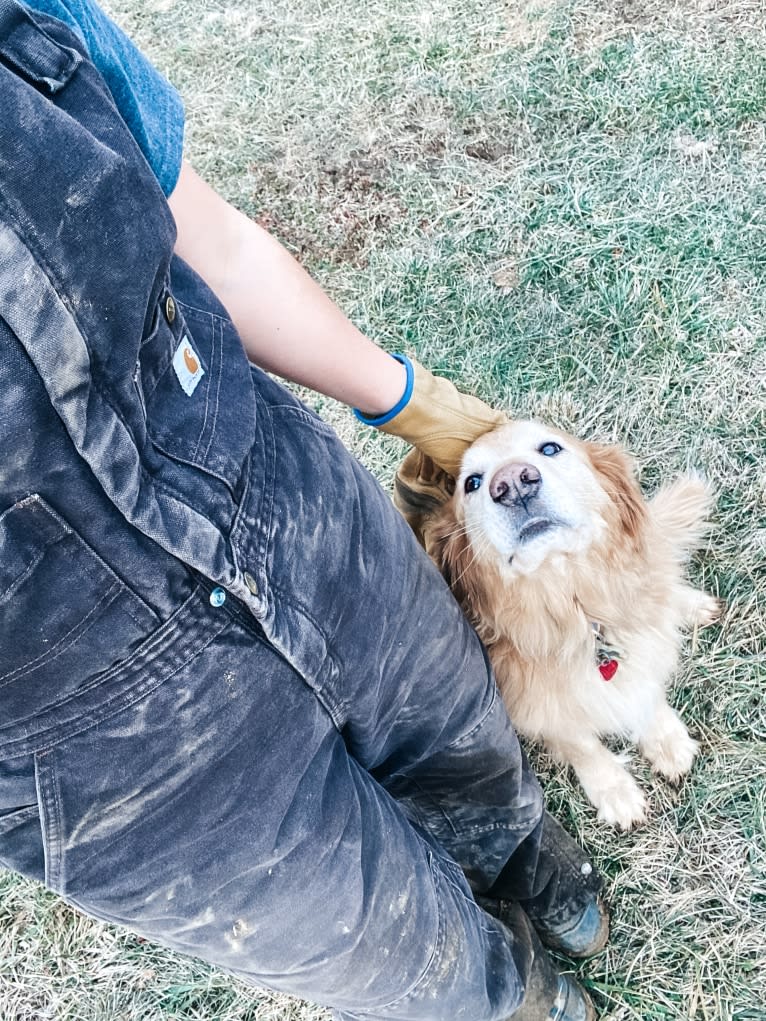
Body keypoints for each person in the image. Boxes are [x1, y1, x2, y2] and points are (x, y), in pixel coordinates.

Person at [0, 1, 609, 1017]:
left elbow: (216, 247)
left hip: (275, 487)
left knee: (454, 722)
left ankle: (519, 853)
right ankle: (516, 996)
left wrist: (417, 404)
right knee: (376, 944)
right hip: (84, 741)